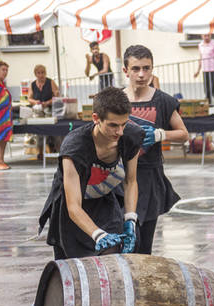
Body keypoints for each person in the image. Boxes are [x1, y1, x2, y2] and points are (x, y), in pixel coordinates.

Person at [38, 87, 143, 259]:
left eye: (124, 124)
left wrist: (130, 219)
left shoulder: (131, 137)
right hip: (72, 208)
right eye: (113, 125)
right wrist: (98, 234)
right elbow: (73, 206)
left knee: (113, 255)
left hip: (104, 200)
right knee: (73, 266)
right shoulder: (75, 147)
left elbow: (131, 182)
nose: (120, 132)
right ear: (96, 118)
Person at [123, 45, 189, 254]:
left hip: (149, 176)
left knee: (143, 244)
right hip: (119, 176)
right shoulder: (116, 100)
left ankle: (140, 285)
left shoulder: (163, 100)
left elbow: (183, 134)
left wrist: (160, 134)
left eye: (146, 68)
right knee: (123, 240)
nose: (141, 74)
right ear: (125, 71)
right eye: (135, 69)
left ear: (152, 69)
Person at [27, 64, 60, 158]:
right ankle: (40, 152)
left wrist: (48, 102)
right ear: (35, 74)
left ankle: (56, 149)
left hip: (50, 109)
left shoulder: (50, 82)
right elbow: (29, 98)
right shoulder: (33, 84)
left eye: (43, 73)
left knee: (53, 130)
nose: (41, 75)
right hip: (38, 110)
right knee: (39, 131)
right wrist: (35, 102)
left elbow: (57, 95)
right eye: (39, 73)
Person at [194, 34, 214, 107]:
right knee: (207, 87)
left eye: (208, 36)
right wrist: (198, 71)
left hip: (213, 69)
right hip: (205, 69)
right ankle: (209, 103)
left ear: (210, 36)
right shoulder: (200, 45)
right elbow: (200, 58)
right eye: (205, 36)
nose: (206, 37)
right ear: (202, 36)